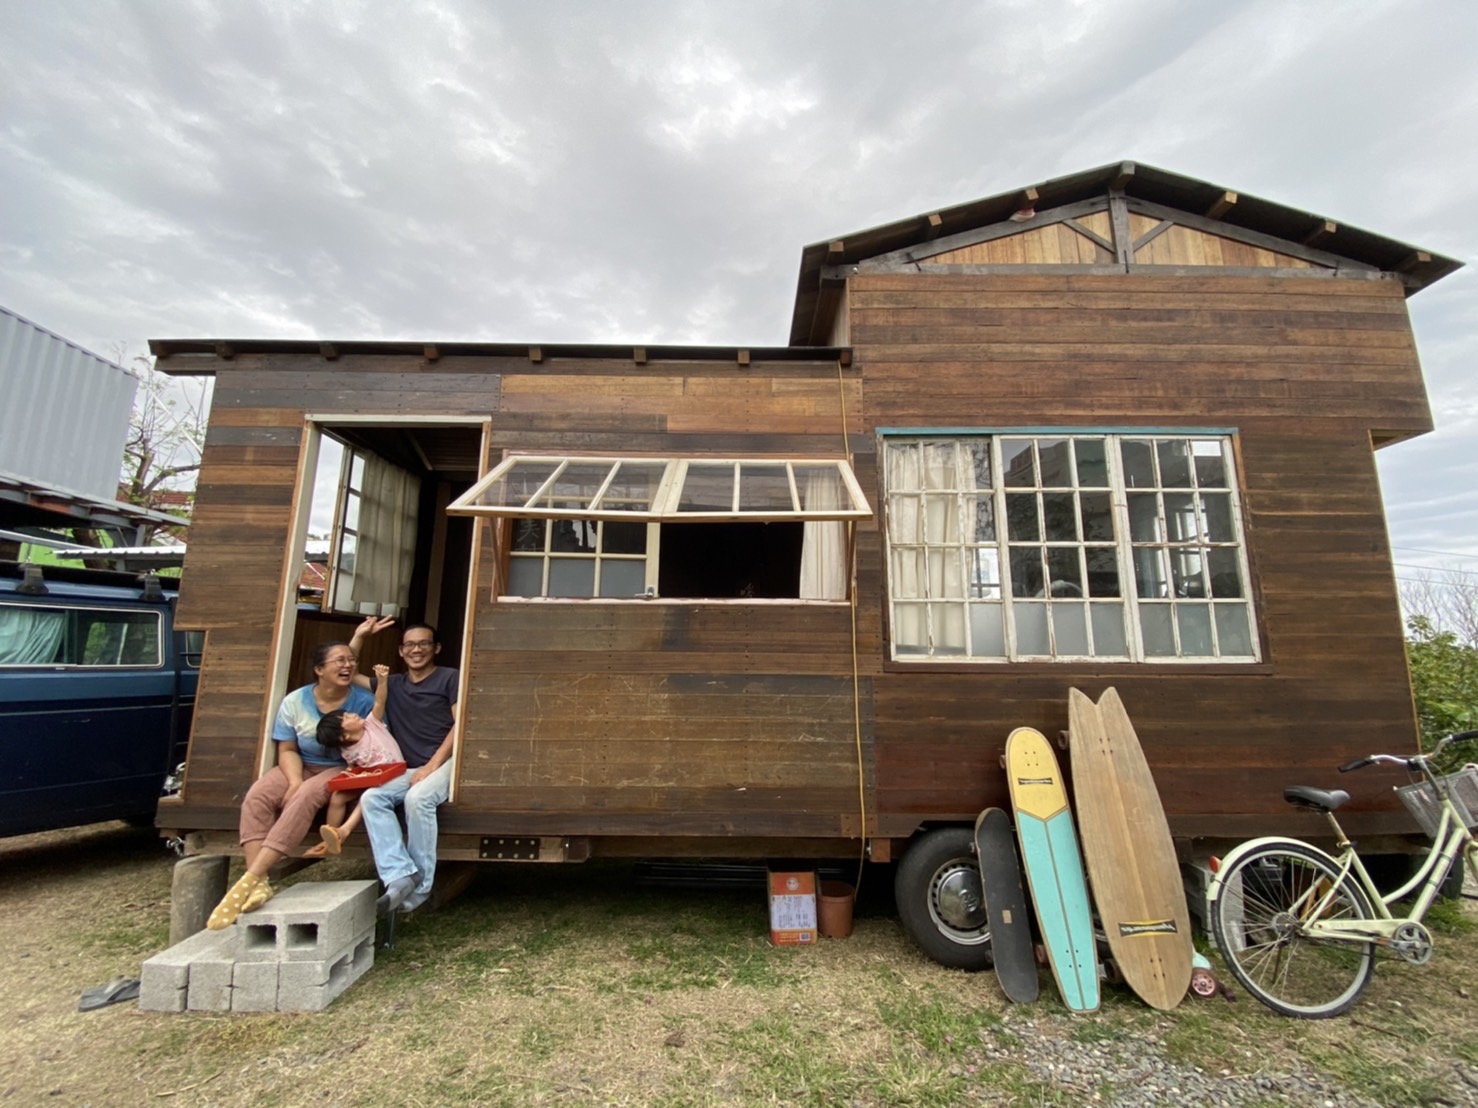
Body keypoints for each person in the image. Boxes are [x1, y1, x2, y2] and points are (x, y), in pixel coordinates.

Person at [206, 640, 374, 930]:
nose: (348, 666)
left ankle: (250, 879)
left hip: (342, 766)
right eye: (339, 661)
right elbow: (287, 749)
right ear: (319, 669)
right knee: (258, 795)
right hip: (299, 763)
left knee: (306, 796)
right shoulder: (295, 701)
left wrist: (302, 787)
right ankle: (259, 883)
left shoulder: (362, 702)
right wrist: (294, 780)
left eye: (351, 660)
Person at [349, 617, 459, 914]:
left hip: (447, 763)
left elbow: (460, 725)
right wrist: (360, 636)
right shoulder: (392, 684)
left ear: (436, 648)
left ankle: (419, 890)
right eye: (410, 645)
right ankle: (400, 874)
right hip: (410, 768)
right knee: (372, 797)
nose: (416, 650)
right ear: (400, 652)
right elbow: (347, 671)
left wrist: (431, 766)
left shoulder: (450, 678)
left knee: (418, 799)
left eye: (424, 644)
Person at [304, 663, 407, 857]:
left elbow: (379, 702)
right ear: (343, 736)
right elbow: (354, 765)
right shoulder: (347, 749)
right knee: (337, 797)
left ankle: (344, 831)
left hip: (392, 775)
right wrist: (349, 773)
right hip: (369, 778)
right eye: (346, 717)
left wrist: (383, 681)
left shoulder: (372, 724)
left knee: (369, 796)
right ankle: (330, 835)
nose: (352, 714)